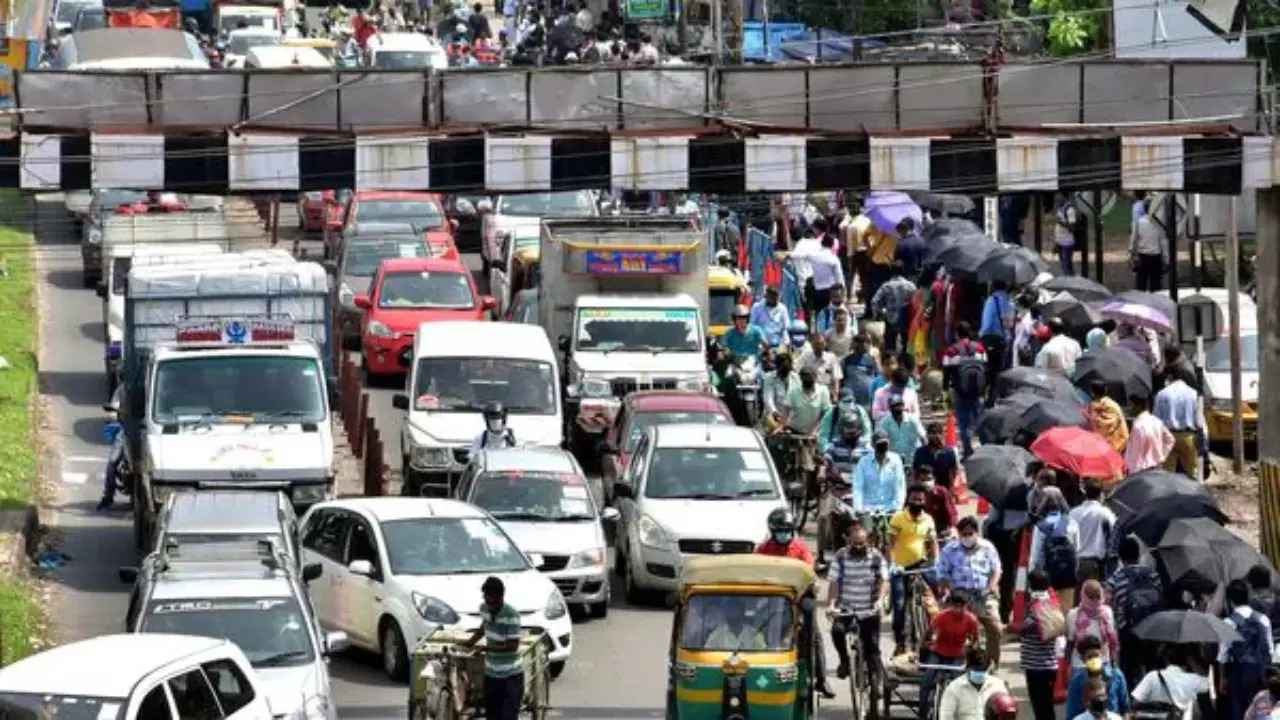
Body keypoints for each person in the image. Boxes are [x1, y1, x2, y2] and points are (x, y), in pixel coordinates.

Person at [756, 509, 836, 697]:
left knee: (812, 631)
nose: (784, 535)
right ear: (772, 531)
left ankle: (821, 679)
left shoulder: (801, 548)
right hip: (772, 598)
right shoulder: (763, 550)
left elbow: (809, 572)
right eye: (780, 531)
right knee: (757, 630)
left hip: (800, 596)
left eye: (787, 531)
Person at [936, 516, 1004, 667]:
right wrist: (946, 590)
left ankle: (992, 664)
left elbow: (997, 570)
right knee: (944, 627)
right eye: (963, 534)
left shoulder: (987, 547)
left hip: (983, 594)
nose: (967, 537)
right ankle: (949, 662)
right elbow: (941, 573)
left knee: (995, 628)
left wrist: (992, 587)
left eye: (970, 533)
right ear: (959, 534)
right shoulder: (949, 550)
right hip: (959, 597)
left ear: (976, 533)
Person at [826, 521, 888, 681]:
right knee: (837, 631)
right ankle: (844, 661)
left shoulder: (876, 557)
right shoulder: (840, 556)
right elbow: (834, 582)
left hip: (869, 609)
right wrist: (831, 604)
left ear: (868, 541)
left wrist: (880, 601)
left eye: (862, 543)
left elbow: (884, 580)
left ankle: (876, 683)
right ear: (848, 542)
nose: (859, 547)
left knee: (872, 648)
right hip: (846, 608)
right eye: (855, 543)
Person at [1104, 535, 1164, 689]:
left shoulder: (1116, 578)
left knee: (1127, 667)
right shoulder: (1152, 574)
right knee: (1152, 665)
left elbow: (1108, 605)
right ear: (1138, 554)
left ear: (1120, 557)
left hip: (1128, 632)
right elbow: (1159, 595)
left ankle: (1129, 700)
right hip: (1153, 628)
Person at [886, 483, 939, 655]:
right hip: (900, 567)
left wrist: (935, 560)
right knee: (900, 604)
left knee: (937, 592)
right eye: (914, 499)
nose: (918, 502)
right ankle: (900, 641)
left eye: (921, 499)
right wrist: (893, 563)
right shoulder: (898, 518)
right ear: (908, 500)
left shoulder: (928, 519)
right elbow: (890, 543)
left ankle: (934, 633)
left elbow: (932, 542)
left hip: (921, 564)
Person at [464, 577, 524, 720]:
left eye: (492, 600)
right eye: (486, 598)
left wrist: (487, 648)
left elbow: (512, 646)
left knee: (507, 716)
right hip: (491, 674)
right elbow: (483, 627)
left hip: (510, 676)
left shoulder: (512, 615)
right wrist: (470, 642)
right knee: (492, 715)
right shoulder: (484, 608)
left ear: (500, 597)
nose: (489, 603)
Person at [1220, 578, 1275, 720]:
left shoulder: (1228, 622)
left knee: (1239, 710)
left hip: (1238, 672)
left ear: (1230, 600)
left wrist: (1222, 678)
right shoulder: (1263, 619)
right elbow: (1270, 650)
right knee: (1261, 709)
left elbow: (1223, 656)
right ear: (1248, 597)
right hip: (1260, 672)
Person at [920, 590, 981, 715]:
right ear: (951, 605)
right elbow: (928, 632)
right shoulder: (942, 616)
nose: (958, 609)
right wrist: (922, 646)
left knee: (959, 685)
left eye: (961, 606)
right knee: (926, 681)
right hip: (938, 652)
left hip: (957, 655)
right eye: (955, 606)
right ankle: (922, 712)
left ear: (966, 605)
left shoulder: (971, 620)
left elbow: (975, 640)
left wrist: (972, 652)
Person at [1020, 569, 1064, 720]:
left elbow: (1024, 628)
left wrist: (1010, 628)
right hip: (1050, 665)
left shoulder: (1035, 606)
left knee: (1041, 709)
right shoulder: (1052, 602)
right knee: (1047, 706)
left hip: (1035, 666)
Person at [1029, 486, 1082, 609]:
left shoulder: (1041, 526)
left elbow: (1036, 556)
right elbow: (1077, 550)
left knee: (1049, 613)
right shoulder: (1072, 523)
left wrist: (1032, 579)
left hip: (1047, 578)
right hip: (1068, 577)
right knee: (1065, 610)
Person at [942, 322, 987, 458]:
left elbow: (946, 374)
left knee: (963, 422)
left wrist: (945, 392)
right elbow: (985, 368)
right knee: (980, 420)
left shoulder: (951, 351)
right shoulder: (980, 348)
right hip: (978, 390)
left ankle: (967, 451)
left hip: (959, 391)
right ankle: (986, 447)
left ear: (957, 334)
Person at [1129, 646, 1210, 720]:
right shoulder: (1193, 679)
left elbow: (1135, 702)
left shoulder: (1152, 676)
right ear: (1186, 662)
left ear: (1166, 660)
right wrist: (1191, 660)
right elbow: (1206, 684)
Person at [1153, 373, 1206, 482]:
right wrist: (1204, 442)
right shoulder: (1193, 394)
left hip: (1168, 437)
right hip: (1188, 437)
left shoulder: (1162, 394)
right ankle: (1192, 494)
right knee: (1191, 473)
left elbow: (1156, 420)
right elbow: (1199, 420)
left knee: (1167, 474)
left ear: (1169, 378)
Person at [1064, 635, 1130, 719]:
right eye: (1089, 657)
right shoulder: (1077, 681)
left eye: (1096, 655)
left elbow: (1126, 708)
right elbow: (1072, 713)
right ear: (1082, 659)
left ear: (1102, 654)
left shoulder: (1116, 676)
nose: (1093, 659)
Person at [937, 646, 1009, 720]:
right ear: (967, 668)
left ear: (988, 668)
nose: (979, 673)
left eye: (982, 670)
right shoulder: (954, 689)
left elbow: (1006, 714)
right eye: (976, 670)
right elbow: (945, 716)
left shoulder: (998, 687)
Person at [1070, 479, 1116, 583]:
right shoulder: (1104, 512)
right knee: (1093, 597)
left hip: (1075, 563)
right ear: (1101, 494)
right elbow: (1115, 530)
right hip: (1094, 564)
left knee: (1078, 597)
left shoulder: (1073, 513)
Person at [1067, 579, 1119, 670]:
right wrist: (1114, 663)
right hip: (1103, 664)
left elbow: (1070, 643)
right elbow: (1111, 643)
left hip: (1079, 665)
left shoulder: (1073, 614)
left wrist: (1066, 665)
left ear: (1082, 595)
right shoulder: (1107, 612)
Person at [851, 430, 905, 516]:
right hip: (868, 509)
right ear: (872, 444)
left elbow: (899, 486)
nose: (882, 446)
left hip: (890, 509)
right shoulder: (863, 462)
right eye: (879, 444)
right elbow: (858, 487)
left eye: (885, 444)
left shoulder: (896, 460)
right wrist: (858, 509)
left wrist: (898, 508)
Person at [978, 279, 1015, 399]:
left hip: (987, 338)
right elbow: (1010, 324)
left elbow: (986, 322)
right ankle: (995, 396)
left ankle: (985, 395)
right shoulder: (1009, 302)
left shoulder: (990, 300)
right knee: (999, 369)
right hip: (1001, 340)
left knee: (987, 368)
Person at [871, 262, 916, 354]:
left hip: (891, 319)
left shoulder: (886, 286)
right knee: (907, 345)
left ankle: (891, 363)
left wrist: (880, 313)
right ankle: (906, 362)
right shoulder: (911, 286)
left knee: (890, 347)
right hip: (907, 319)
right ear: (903, 271)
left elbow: (874, 301)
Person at [1123, 394, 1174, 474]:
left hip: (1141, 470)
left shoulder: (1138, 426)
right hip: (1157, 467)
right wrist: (1161, 456)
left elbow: (1136, 454)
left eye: (1132, 406)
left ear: (1139, 406)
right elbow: (1170, 439)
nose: (1130, 409)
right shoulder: (1156, 421)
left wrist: (1130, 472)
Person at [877, 395, 925, 465]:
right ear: (889, 408)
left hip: (913, 458)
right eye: (893, 406)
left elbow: (923, 437)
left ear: (903, 405)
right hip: (893, 460)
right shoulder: (884, 422)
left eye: (898, 405)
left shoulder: (912, 420)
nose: (896, 408)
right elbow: (879, 439)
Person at [1130, 208, 1168, 292]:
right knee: (1156, 285)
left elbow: (1134, 239)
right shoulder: (1159, 223)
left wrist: (1133, 254)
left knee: (1141, 284)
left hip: (1142, 255)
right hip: (1155, 256)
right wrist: (1166, 259)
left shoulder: (1139, 222)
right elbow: (1163, 242)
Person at [914, 421, 959, 491]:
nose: (936, 436)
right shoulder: (920, 452)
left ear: (943, 435)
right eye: (933, 433)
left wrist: (951, 490)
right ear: (928, 435)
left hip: (944, 490)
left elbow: (953, 473)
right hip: (925, 490)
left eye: (939, 433)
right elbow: (915, 473)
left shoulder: (949, 452)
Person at [916, 464, 958, 538]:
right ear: (918, 480)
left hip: (940, 531)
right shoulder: (914, 494)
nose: (926, 482)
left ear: (934, 479)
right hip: (920, 531)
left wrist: (952, 527)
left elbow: (950, 512)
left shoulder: (941, 492)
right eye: (923, 480)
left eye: (929, 479)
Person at [762, 352, 799, 431]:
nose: (785, 374)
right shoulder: (769, 378)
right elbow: (768, 398)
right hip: (774, 417)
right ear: (777, 367)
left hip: (792, 419)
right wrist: (774, 411)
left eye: (787, 371)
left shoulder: (796, 378)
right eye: (782, 372)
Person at [842, 332, 880, 410]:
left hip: (868, 399)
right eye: (859, 342)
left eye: (864, 342)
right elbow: (843, 379)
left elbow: (877, 377)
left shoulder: (872, 359)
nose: (863, 345)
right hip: (852, 399)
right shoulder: (847, 360)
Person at [1087, 382, 1129, 452]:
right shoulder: (1114, 405)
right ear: (1105, 390)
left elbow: (1096, 425)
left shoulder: (1093, 406)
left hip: (1100, 446)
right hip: (1115, 444)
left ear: (1092, 392)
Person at [1248, 564, 1280, 654]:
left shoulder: (1252, 605)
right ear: (1269, 581)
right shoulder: (1278, 599)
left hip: (1266, 648)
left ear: (1251, 583)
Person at [799, 332, 842, 397]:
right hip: (808, 393)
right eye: (816, 344)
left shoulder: (832, 358)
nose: (819, 347)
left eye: (821, 344)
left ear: (825, 344)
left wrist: (835, 395)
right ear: (812, 345)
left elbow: (836, 379)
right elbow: (797, 373)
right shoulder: (805, 356)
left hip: (827, 393)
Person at [1055, 195, 1079, 276]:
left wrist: (1061, 223)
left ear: (1064, 197)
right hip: (1060, 241)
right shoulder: (1060, 208)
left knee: (1067, 265)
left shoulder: (1070, 210)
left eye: (1058, 196)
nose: (1056, 198)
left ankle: (1070, 280)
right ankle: (1069, 279)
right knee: (1064, 265)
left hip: (1067, 242)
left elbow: (1072, 228)